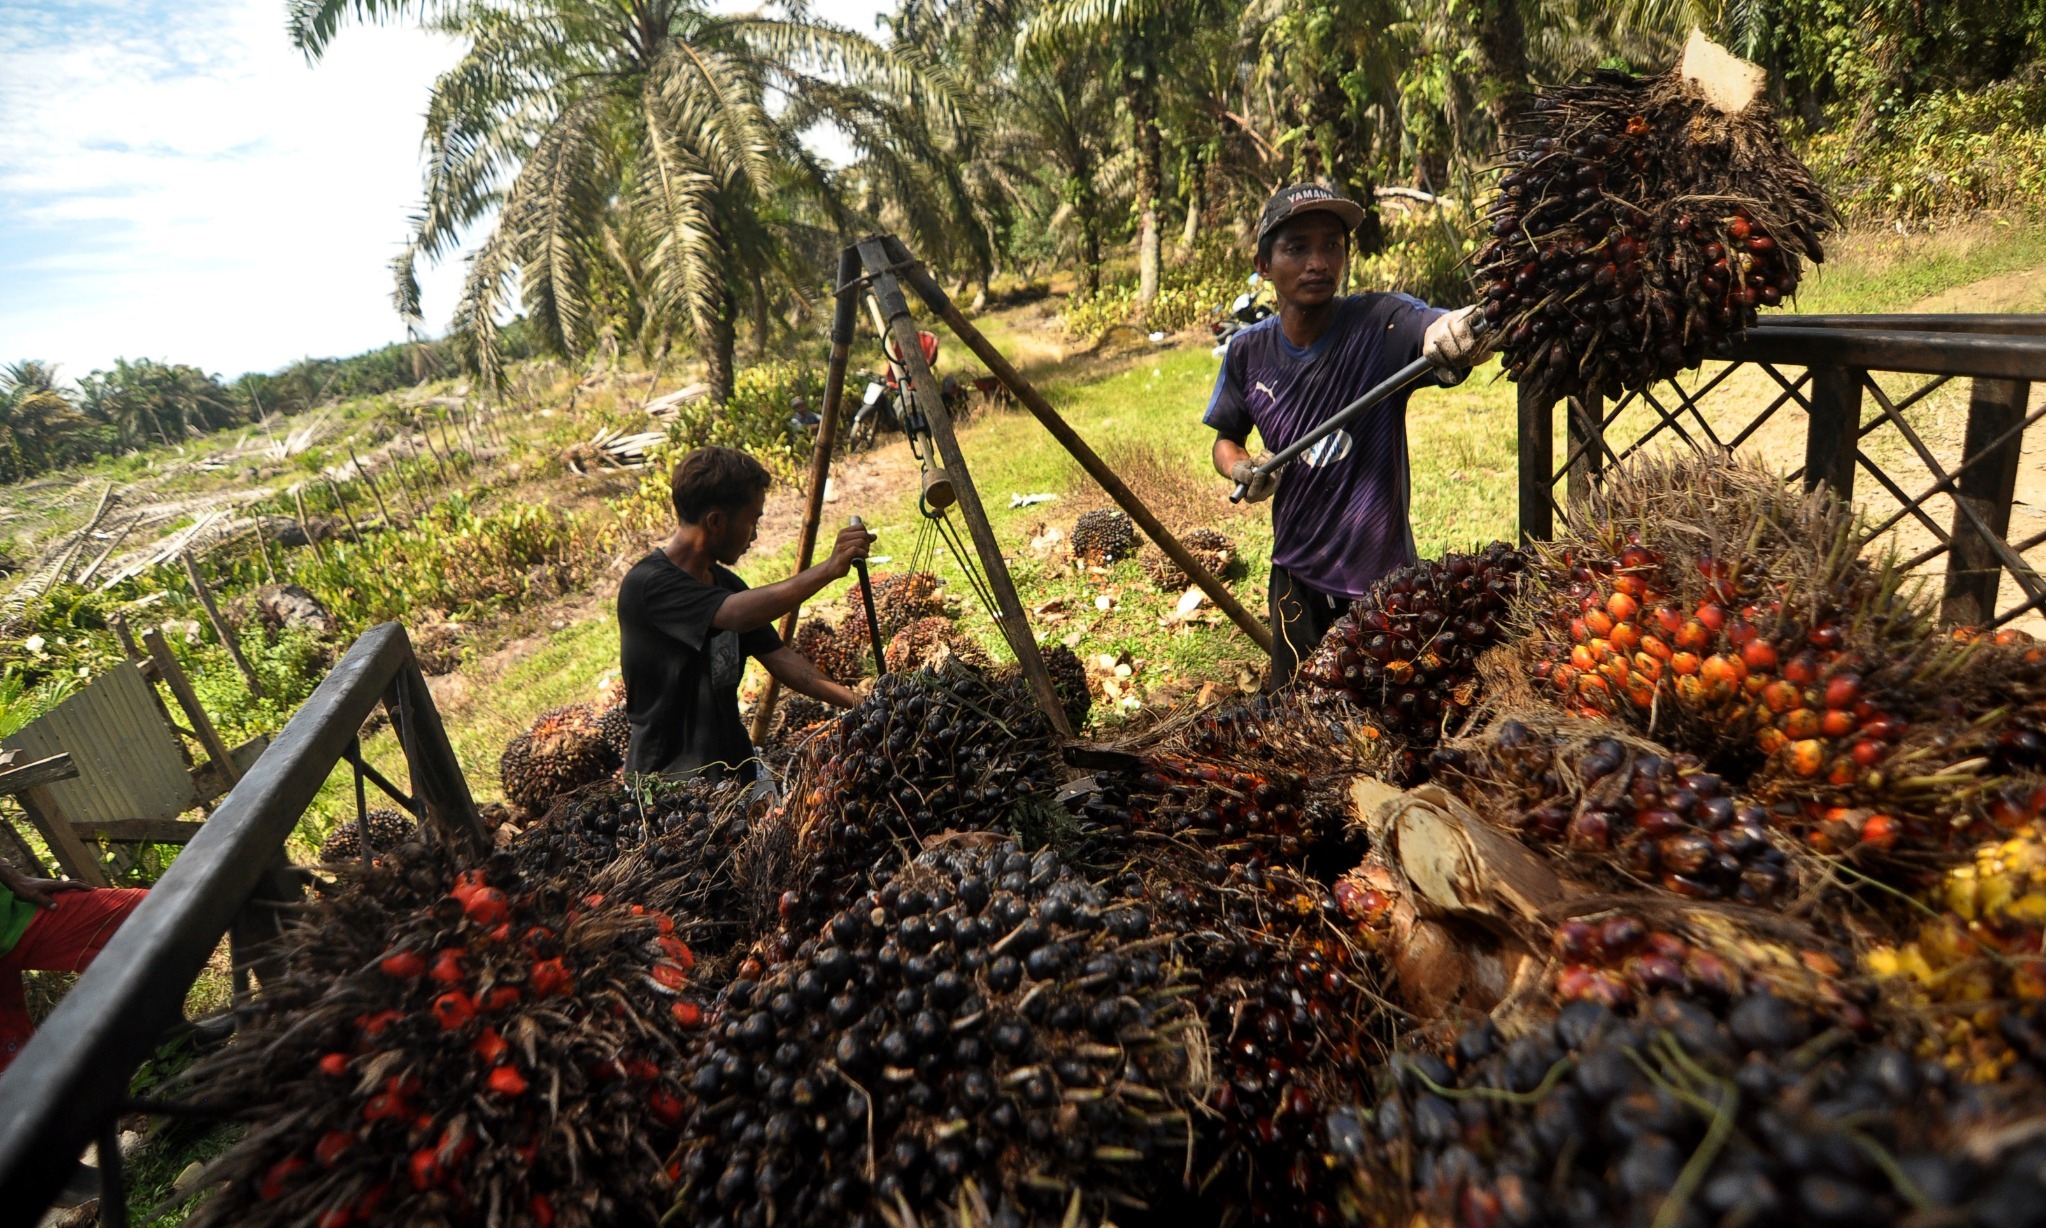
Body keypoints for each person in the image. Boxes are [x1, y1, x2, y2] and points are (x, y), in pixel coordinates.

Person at [1206, 183, 1482, 687]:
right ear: (1263, 265)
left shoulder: (1380, 324)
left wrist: (1457, 332)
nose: (1319, 262)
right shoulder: (1247, 353)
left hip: (1381, 582)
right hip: (1295, 577)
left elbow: (1432, 329)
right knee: (1299, 715)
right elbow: (1225, 436)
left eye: (1332, 245)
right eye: (1297, 248)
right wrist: (1241, 466)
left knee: (1388, 713)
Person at [618, 445, 875, 780]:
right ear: (715, 521)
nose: (754, 534)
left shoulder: (721, 583)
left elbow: (781, 660)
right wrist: (829, 568)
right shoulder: (649, 586)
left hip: (736, 771)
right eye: (753, 520)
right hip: (669, 787)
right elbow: (735, 615)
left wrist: (861, 702)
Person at [0, 855, 147, 1071]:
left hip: (16, 916)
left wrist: (12, 875)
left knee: (154, 909)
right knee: (18, 1074)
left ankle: (173, 1037)